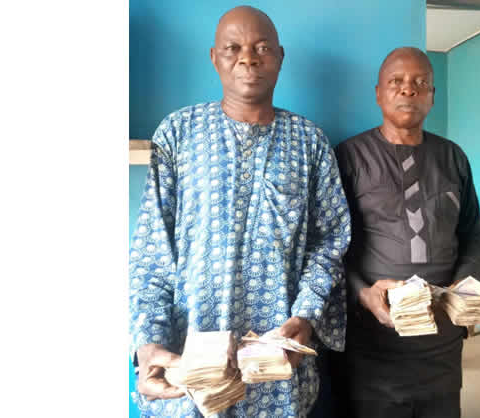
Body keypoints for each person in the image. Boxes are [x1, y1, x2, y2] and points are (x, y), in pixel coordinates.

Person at [129, 6, 350, 417]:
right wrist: (148, 342)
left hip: (277, 369)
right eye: (233, 48)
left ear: (280, 57)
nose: (248, 58)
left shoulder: (310, 143)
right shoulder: (177, 133)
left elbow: (329, 243)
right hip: (190, 364)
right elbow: (151, 253)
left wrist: (306, 315)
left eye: (262, 48)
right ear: (215, 58)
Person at [332, 47, 480, 418]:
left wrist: (465, 285)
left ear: (432, 95)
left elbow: (473, 234)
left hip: (442, 344)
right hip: (374, 346)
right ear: (378, 93)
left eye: (421, 83)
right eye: (397, 82)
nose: (409, 89)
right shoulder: (349, 157)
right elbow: (329, 246)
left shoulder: (453, 157)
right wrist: (363, 293)